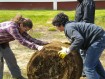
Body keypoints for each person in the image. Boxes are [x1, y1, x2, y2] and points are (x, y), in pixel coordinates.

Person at [52, 12, 105, 79]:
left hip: (98, 39)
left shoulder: (68, 28)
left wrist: (68, 50)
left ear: (59, 25)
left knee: (88, 68)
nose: (57, 28)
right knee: (94, 63)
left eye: (56, 26)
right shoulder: (70, 25)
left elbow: (79, 39)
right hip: (99, 37)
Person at [0, 14, 48, 79]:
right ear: (21, 25)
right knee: (0, 62)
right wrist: (37, 47)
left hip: (3, 42)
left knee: (11, 59)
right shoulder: (12, 27)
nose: (25, 32)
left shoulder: (21, 28)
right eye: (25, 30)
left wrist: (44, 43)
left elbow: (30, 38)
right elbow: (22, 41)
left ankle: (17, 77)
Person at [75, 0, 95, 77]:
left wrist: (80, 31)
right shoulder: (80, 3)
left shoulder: (88, 2)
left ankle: (86, 71)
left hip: (85, 31)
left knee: (84, 52)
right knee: (82, 52)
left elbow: (87, 20)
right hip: (80, 30)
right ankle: (84, 70)